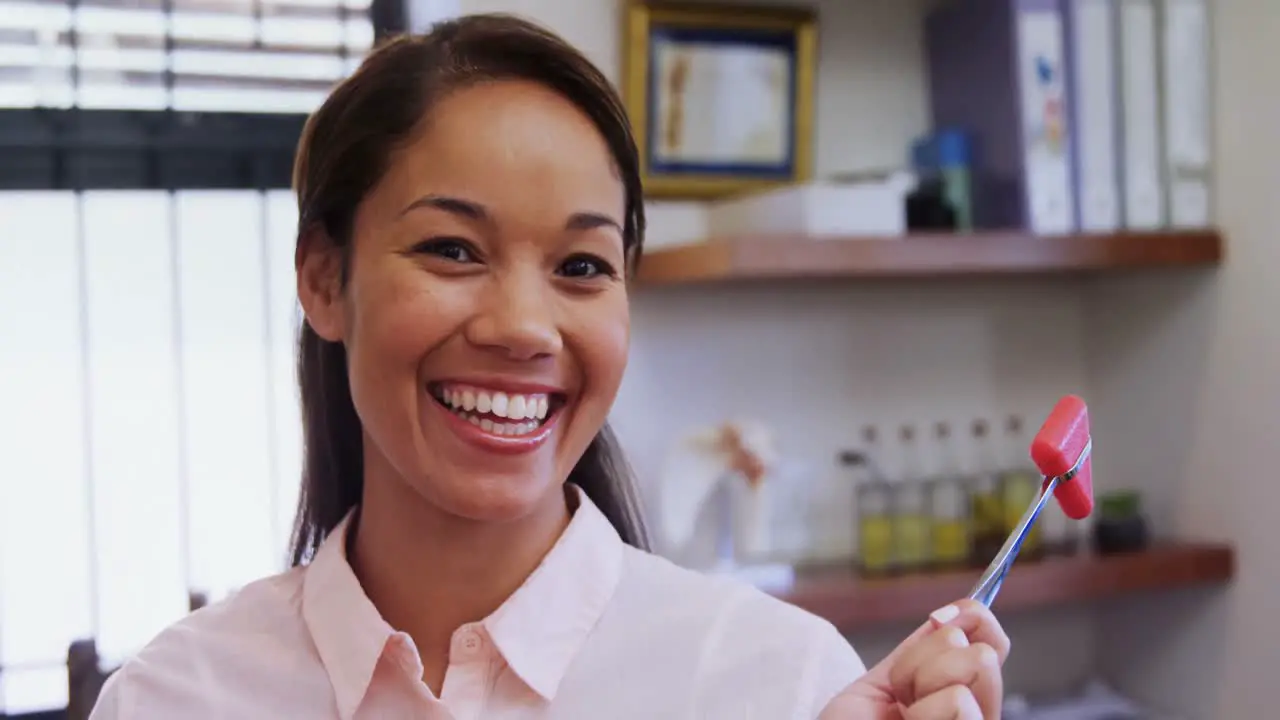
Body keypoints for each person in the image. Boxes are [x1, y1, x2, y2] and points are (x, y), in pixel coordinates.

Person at [89, 14, 1009, 719]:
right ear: (325, 279)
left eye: (581, 268)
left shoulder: (782, 682)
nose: (526, 327)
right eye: (452, 249)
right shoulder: (175, 698)